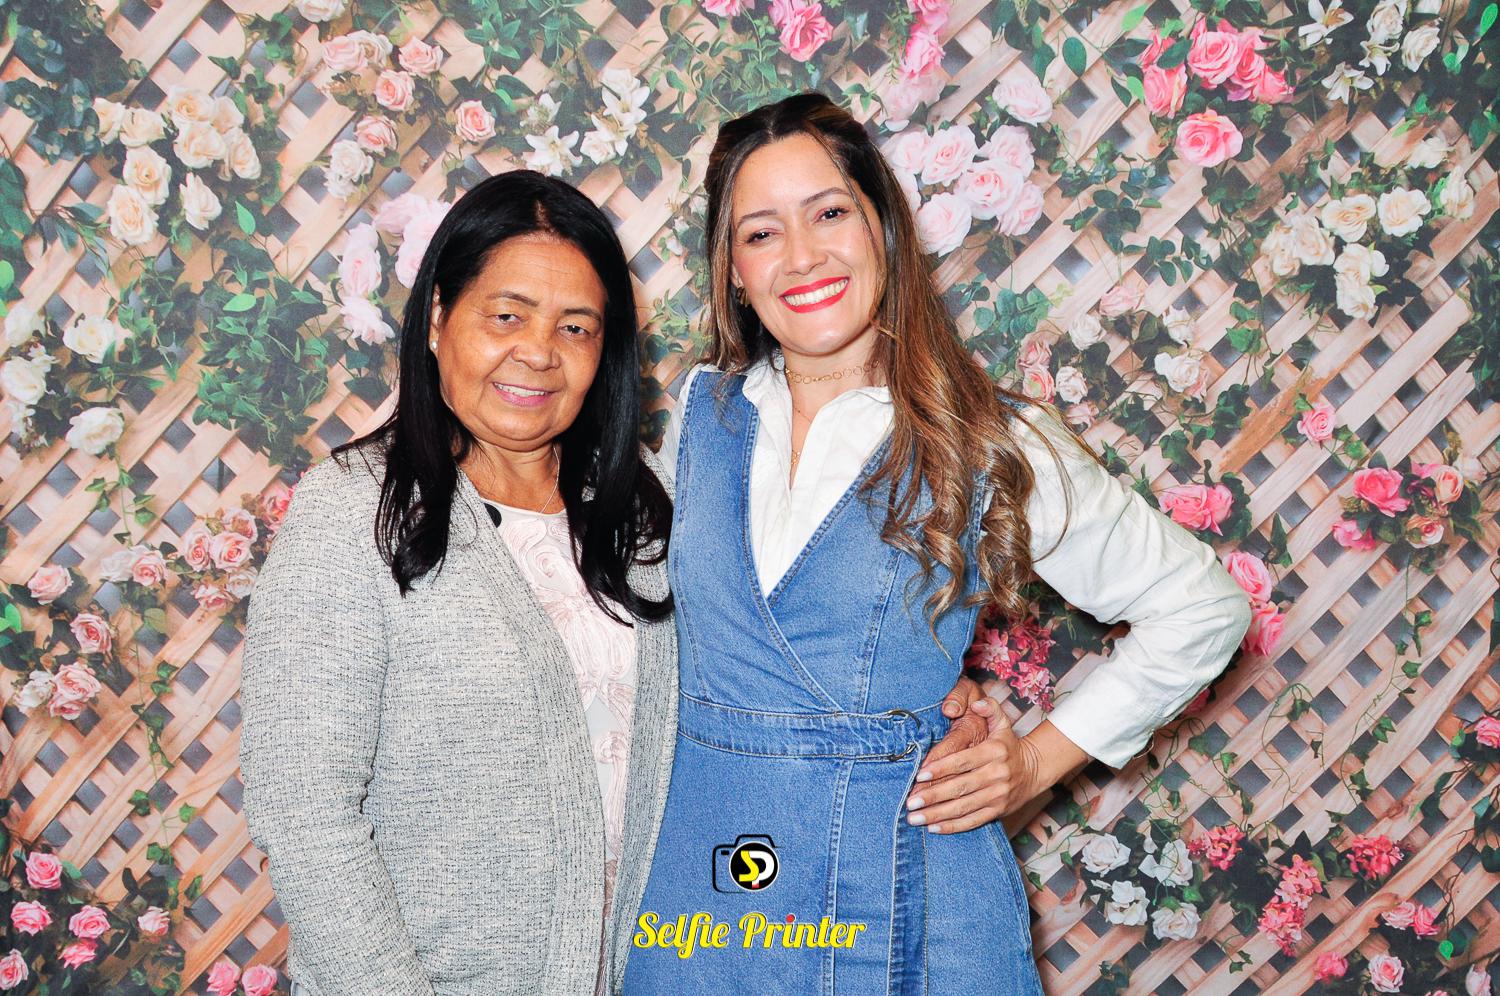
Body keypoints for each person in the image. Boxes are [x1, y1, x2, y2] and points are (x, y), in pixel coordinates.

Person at [618, 93, 1253, 994]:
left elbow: (1202, 608)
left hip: (908, 895)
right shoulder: (699, 418)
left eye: (829, 213)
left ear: (884, 228)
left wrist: (1032, 760)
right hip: (713, 892)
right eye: (761, 233)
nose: (801, 256)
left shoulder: (991, 440)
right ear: (733, 271)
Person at [239, 170, 680, 995]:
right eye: (507, 315)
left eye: (576, 327)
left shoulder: (647, 507)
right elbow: (303, 810)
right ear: (440, 318)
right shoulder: (352, 512)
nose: (539, 352)